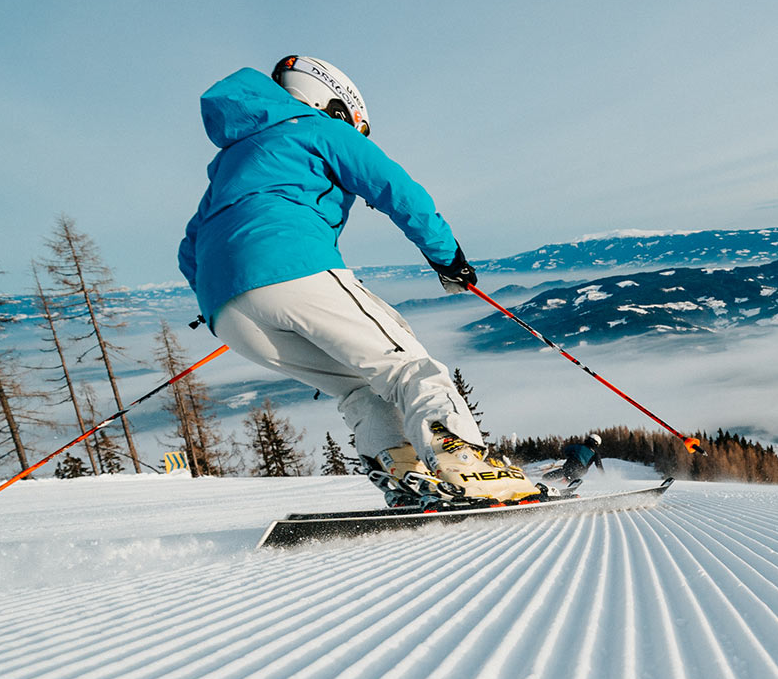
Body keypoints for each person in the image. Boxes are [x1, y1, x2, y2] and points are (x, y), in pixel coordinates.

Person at [179, 55, 541, 506]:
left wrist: (234, 293)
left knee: (357, 385)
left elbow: (189, 249)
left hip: (226, 310)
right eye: (356, 126)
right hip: (296, 271)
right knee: (409, 368)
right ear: (332, 105)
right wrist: (447, 257)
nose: (356, 134)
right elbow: (396, 189)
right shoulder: (320, 129)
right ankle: (467, 467)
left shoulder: (230, 162)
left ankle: (403, 475)